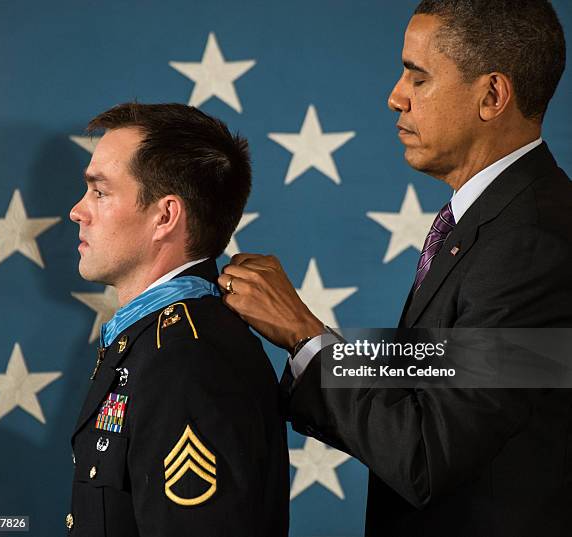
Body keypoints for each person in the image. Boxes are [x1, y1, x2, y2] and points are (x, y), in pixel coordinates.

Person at [219, 1, 572, 536]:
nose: (395, 96)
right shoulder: (492, 221)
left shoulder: (532, 243)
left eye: (418, 76)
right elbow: (427, 380)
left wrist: (304, 335)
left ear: (492, 96)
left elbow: (426, 453)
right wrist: (310, 346)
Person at [67, 103, 289, 536]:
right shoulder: (153, 338)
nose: (78, 210)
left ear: (165, 216)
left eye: (100, 192)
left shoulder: (188, 358)